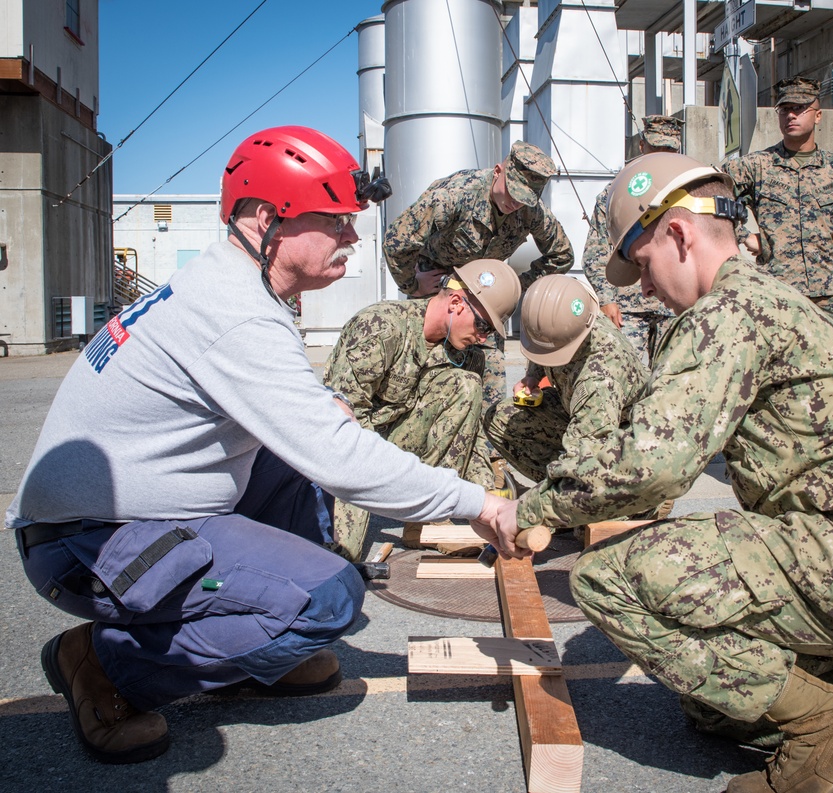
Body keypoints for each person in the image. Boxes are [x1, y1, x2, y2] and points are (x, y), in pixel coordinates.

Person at [5, 126, 520, 765]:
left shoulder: (230, 287)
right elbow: (339, 455)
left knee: (290, 459)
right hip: (89, 543)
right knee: (330, 597)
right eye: (333, 222)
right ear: (263, 220)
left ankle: (251, 645)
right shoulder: (237, 312)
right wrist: (476, 502)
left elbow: (303, 429)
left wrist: (314, 417)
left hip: (128, 514)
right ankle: (106, 665)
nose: (353, 238)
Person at [495, 152, 833, 793]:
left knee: (607, 579)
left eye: (643, 266)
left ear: (678, 234)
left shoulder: (722, 316)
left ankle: (831, 731)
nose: (643, 289)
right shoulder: (779, 298)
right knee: (711, 705)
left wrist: (531, 510)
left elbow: (653, 466)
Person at [322, 259, 520, 559]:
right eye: (482, 326)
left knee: (466, 385)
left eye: (490, 332)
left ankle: (426, 521)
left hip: (397, 443)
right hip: (354, 446)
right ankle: (336, 545)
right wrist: (346, 546)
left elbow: (472, 439)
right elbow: (343, 429)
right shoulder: (382, 327)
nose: (483, 338)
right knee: (340, 563)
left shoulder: (467, 356)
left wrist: (489, 508)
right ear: (455, 302)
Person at [382, 140, 574, 418]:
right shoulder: (454, 196)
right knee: (425, 374)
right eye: (513, 192)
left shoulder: (529, 209)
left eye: (524, 198)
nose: (515, 203)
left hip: (486, 297)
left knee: (490, 382)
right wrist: (413, 283)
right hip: (439, 291)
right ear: (498, 171)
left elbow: (562, 255)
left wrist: (517, 286)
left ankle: (486, 451)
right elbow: (396, 242)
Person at [483, 274, 667, 523]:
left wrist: (526, 515)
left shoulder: (599, 379)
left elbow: (582, 456)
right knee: (501, 418)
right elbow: (544, 339)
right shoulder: (571, 315)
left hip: (625, 446)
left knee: (586, 526)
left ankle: (647, 504)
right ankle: (554, 496)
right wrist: (532, 376)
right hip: (581, 415)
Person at [722, 76, 833, 339]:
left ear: (818, 116)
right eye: (784, 109)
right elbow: (713, 200)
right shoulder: (756, 166)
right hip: (777, 291)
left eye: (800, 109)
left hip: (829, 294)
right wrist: (743, 236)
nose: (791, 115)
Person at [583, 115, 681, 361]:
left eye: (668, 149)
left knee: (673, 383)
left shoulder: (688, 192)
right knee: (629, 380)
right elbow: (595, 252)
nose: (660, 154)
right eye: (654, 147)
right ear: (642, 146)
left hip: (675, 305)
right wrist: (606, 299)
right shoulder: (617, 192)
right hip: (628, 309)